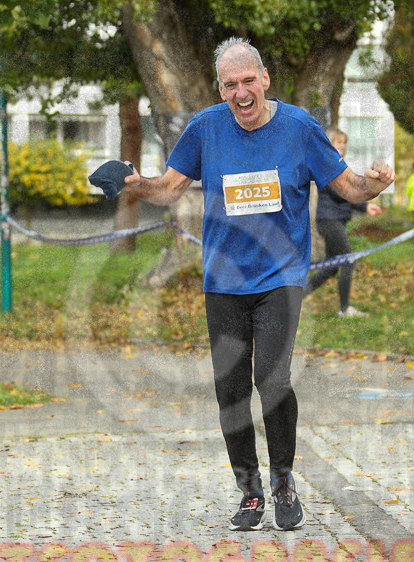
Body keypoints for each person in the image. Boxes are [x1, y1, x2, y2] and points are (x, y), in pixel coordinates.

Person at [123, 37, 393, 531]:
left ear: (265, 78)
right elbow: (167, 189)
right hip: (223, 280)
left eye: (249, 81)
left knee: (272, 379)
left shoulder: (300, 128)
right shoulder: (205, 129)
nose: (241, 92)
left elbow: (350, 186)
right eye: (231, 85)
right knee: (230, 389)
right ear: (220, 89)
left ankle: (283, 480)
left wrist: (375, 183)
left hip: (280, 277)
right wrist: (135, 182)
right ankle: (250, 491)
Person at [304, 127, 368, 318]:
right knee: (348, 260)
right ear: (329, 143)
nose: (342, 146)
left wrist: (365, 207)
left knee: (331, 268)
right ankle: (345, 309)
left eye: (344, 143)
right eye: (338, 142)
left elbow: (347, 194)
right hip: (329, 221)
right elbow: (342, 193)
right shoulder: (327, 164)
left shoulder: (338, 165)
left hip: (334, 220)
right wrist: (364, 206)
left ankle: (294, 301)